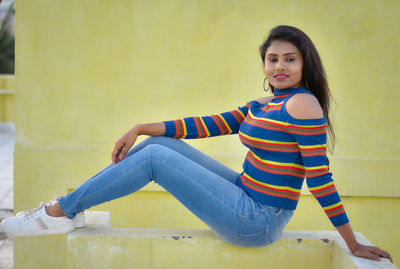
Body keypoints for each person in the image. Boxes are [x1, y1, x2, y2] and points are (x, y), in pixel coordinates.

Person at [1, 25, 392, 262]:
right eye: (272, 59)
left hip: (257, 221)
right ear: (264, 64)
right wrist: (140, 126)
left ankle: (58, 212)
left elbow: (320, 179)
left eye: (290, 59)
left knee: (155, 158)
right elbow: (206, 125)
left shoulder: (303, 105)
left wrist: (352, 242)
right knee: (163, 145)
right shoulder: (266, 103)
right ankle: (70, 209)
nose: (279, 67)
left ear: (305, 64)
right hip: (244, 193)